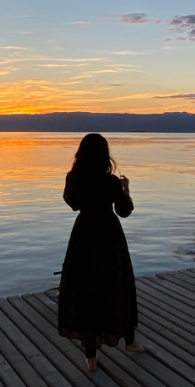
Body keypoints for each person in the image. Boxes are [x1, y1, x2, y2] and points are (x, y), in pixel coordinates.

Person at [58, 133, 147, 372]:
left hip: (84, 235)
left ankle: (91, 358)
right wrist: (126, 189)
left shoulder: (73, 178)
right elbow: (124, 211)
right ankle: (129, 342)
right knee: (119, 286)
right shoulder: (111, 182)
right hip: (109, 236)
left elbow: (73, 204)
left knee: (86, 289)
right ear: (104, 154)